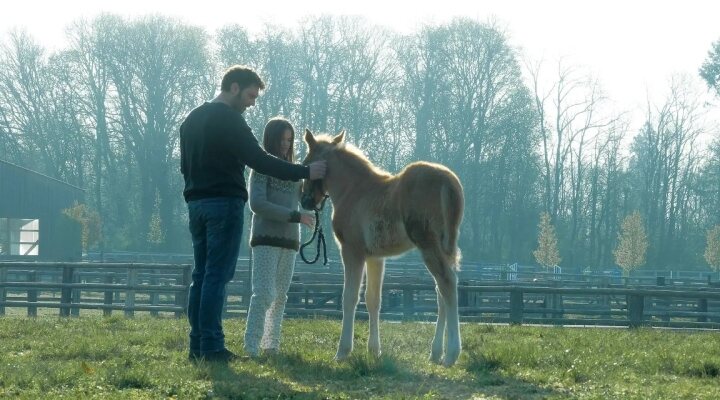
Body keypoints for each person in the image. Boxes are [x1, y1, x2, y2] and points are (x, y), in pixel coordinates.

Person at [180, 65, 326, 363]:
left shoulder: (191, 120)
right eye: (250, 95)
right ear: (233, 87)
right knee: (216, 277)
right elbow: (260, 160)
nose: (252, 103)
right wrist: (305, 171)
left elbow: (185, 167)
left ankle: (197, 345)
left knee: (201, 275)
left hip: (196, 205)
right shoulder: (230, 120)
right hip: (224, 204)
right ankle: (212, 347)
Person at [243, 117, 314, 357]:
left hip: (290, 241)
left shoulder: (295, 173)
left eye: (289, 140)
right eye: (282, 139)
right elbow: (257, 204)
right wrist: (295, 216)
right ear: (271, 139)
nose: (286, 144)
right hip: (265, 238)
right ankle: (251, 346)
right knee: (264, 293)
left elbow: (304, 200)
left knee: (280, 296)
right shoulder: (261, 168)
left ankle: (270, 345)